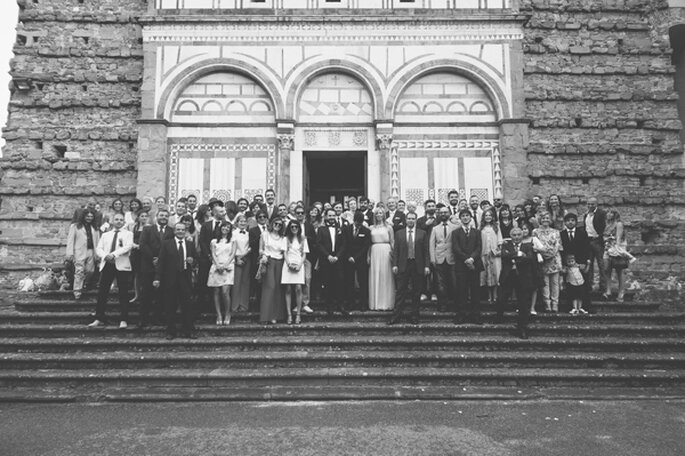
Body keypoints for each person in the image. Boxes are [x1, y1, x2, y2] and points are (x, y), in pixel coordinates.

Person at [153, 222, 199, 340]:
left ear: (185, 231)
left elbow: (195, 261)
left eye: (182, 230)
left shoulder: (190, 244)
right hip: (170, 279)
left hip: (185, 278)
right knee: (170, 306)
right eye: (178, 229)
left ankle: (188, 330)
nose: (180, 232)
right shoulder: (166, 244)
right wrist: (157, 278)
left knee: (187, 306)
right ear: (174, 231)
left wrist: (192, 261)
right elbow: (161, 262)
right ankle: (170, 331)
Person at [88, 213, 133, 329]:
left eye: (121, 220)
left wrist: (113, 254)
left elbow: (127, 247)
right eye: (116, 219)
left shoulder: (128, 234)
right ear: (113, 221)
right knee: (102, 292)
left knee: (123, 292)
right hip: (107, 264)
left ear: (124, 222)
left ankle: (123, 319)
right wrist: (105, 256)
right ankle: (99, 318)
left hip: (121, 265)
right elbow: (99, 248)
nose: (118, 221)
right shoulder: (106, 235)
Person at [388, 211, 430, 325]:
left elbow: (426, 251)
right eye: (409, 218)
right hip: (403, 264)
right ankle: (396, 316)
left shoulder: (422, 233)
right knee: (401, 291)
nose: (411, 220)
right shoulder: (399, 233)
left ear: (416, 220)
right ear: (406, 220)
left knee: (416, 293)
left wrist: (427, 266)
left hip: (418, 265)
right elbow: (396, 250)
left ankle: (414, 316)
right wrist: (395, 264)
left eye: (413, 218)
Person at [497, 227, 536, 339]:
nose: (516, 237)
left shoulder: (527, 246)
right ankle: (498, 317)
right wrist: (519, 254)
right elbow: (504, 256)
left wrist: (515, 256)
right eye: (514, 235)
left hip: (522, 277)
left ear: (522, 235)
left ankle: (522, 328)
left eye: (518, 234)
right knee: (502, 298)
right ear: (511, 236)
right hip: (508, 276)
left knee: (523, 303)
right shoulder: (506, 245)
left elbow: (529, 258)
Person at [138, 208, 175, 328]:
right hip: (148, 266)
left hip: (164, 267)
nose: (163, 217)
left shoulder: (171, 231)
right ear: (156, 217)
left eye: (166, 216)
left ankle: (158, 318)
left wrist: (161, 259)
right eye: (161, 215)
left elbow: (171, 247)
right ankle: (143, 319)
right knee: (146, 294)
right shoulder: (148, 229)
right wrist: (153, 258)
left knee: (161, 294)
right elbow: (143, 245)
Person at [452, 209, 484, 324]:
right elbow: (456, 248)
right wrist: (466, 259)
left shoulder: (477, 232)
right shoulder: (455, 233)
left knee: (475, 291)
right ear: (460, 219)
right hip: (461, 265)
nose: (465, 218)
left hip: (474, 264)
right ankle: (461, 314)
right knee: (462, 291)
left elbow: (479, 248)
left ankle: (475, 315)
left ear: (470, 218)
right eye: (463, 216)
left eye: (467, 216)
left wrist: (472, 258)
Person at [316, 208, 349, 316]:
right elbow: (319, 244)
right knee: (327, 282)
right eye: (329, 215)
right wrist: (328, 256)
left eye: (333, 215)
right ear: (326, 217)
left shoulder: (340, 229)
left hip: (338, 260)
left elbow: (344, 244)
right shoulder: (321, 229)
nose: (331, 218)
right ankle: (329, 306)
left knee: (340, 282)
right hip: (326, 260)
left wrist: (337, 257)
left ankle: (340, 305)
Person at [560, 213, 593, 313]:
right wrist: (563, 264)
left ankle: (585, 307)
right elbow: (561, 251)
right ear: (565, 222)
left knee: (583, 286)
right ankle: (571, 307)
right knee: (570, 286)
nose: (570, 222)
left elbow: (587, 247)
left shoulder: (582, 233)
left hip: (581, 263)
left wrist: (587, 262)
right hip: (568, 264)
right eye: (568, 220)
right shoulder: (562, 234)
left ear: (576, 222)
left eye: (572, 220)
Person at [66, 208, 101, 300]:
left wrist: (98, 254)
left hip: (91, 251)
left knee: (90, 271)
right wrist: (70, 253)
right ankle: (77, 292)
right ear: (83, 216)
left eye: (91, 216)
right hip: (79, 251)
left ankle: (84, 284)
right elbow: (70, 240)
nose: (89, 218)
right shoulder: (75, 226)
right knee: (79, 271)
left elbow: (98, 241)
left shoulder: (95, 228)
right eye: (87, 216)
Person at [198, 200, 225, 311]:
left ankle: (218, 307)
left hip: (221, 259)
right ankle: (202, 306)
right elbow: (202, 241)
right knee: (203, 281)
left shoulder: (226, 225)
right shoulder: (206, 225)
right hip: (206, 258)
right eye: (221, 211)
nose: (223, 213)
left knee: (219, 284)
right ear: (214, 213)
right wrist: (209, 255)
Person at [533, 211, 563, 313]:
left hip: (554, 259)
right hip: (542, 260)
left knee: (555, 283)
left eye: (547, 218)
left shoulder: (556, 232)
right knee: (545, 283)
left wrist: (551, 254)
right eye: (543, 218)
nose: (545, 220)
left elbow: (557, 245)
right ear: (540, 220)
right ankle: (547, 304)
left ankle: (555, 304)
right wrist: (544, 254)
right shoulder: (535, 232)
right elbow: (535, 246)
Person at [429, 206, 457, 312]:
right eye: (442, 213)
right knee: (440, 283)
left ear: (449, 214)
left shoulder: (455, 227)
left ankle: (454, 304)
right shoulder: (435, 229)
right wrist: (432, 259)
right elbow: (431, 244)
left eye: (446, 212)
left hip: (452, 257)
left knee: (454, 282)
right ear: (439, 215)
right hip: (439, 257)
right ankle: (442, 304)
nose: (444, 214)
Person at [603, 207, 634, 302]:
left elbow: (618, 238)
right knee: (606, 269)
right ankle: (608, 290)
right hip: (607, 248)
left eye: (611, 213)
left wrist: (616, 249)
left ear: (614, 214)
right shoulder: (607, 224)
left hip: (616, 248)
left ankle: (621, 292)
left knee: (619, 270)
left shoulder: (618, 224)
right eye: (607, 212)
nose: (608, 214)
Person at [259, 218, 287, 323]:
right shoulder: (265, 234)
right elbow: (260, 249)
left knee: (278, 288)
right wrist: (264, 255)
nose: (277, 226)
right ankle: (266, 316)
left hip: (280, 262)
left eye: (280, 225)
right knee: (270, 286)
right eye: (276, 223)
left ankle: (276, 315)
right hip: (269, 260)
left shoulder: (283, 237)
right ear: (272, 224)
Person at [208, 221, 236, 325]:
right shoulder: (214, 241)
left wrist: (225, 265)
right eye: (224, 227)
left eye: (228, 227)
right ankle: (219, 314)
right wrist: (217, 265)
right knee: (216, 291)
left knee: (225, 292)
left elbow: (233, 254)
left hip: (228, 266)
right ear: (220, 228)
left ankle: (228, 313)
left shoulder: (233, 240)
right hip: (216, 266)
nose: (225, 229)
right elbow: (213, 254)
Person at [368, 207, 395, 311]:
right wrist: (368, 255)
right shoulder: (371, 228)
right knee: (375, 275)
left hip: (386, 251)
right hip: (374, 251)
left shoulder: (389, 228)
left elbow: (392, 241)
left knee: (385, 276)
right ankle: (375, 303)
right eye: (377, 213)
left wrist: (394, 255)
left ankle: (386, 303)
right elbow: (369, 243)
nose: (379, 215)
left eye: (381, 213)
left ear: (384, 215)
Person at [344, 211, 371, 311]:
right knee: (349, 281)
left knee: (362, 282)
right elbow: (344, 244)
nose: (358, 225)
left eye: (360, 223)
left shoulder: (366, 231)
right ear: (354, 220)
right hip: (348, 259)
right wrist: (349, 256)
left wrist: (356, 257)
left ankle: (363, 303)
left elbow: (365, 247)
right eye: (357, 223)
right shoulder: (346, 229)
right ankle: (350, 303)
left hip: (360, 260)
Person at [283, 220, 307, 324]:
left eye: (296, 227)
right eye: (292, 227)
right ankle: (289, 315)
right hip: (288, 264)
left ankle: (298, 315)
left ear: (299, 228)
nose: (294, 229)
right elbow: (284, 252)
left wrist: (300, 265)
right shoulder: (286, 239)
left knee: (298, 288)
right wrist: (288, 264)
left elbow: (305, 254)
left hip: (299, 264)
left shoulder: (303, 239)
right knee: (288, 289)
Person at [584, 196, 607, 295]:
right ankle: (589, 285)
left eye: (592, 204)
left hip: (598, 241)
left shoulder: (601, 213)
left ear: (596, 204)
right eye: (588, 204)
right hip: (588, 241)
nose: (590, 206)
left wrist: (601, 237)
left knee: (601, 264)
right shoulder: (586, 215)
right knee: (589, 264)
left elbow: (605, 227)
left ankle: (603, 287)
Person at [480, 209, 502, 306]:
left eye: (490, 215)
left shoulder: (496, 227)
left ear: (492, 217)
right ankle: (489, 296)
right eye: (486, 215)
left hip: (494, 254)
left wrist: (498, 251)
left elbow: (500, 240)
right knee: (487, 274)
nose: (488, 217)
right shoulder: (481, 228)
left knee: (496, 274)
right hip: (484, 254)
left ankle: (496, 295)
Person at [231, 214, 252, 313]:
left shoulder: (248, 234)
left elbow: (250, 247)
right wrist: (236, 258)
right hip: (236, 259)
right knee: (236, 282)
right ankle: (235, 306)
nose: (243, 223)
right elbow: (231, 247)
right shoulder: (233, 233)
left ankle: (244, 305)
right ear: (237, 223)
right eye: (241, 221)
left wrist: (245, 255)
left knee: (245, 282)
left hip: (246, 258)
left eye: (244, 221)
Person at [249, 210, 269, 311]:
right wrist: (261, 237)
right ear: (257, 219)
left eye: (264, 216)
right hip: (257, 258)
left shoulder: (271, 229)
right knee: (258, 282)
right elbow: (251, 244)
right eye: (260, 217)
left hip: (270, 258)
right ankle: (258, 305)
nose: (262, 218)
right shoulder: (253, 230)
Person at [129, 209, 149, 304]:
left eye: (145, 216)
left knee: (145, 274)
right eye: (142, 216)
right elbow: (129, 238)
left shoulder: (150, 227)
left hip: (145, 253)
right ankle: (137, 295)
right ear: (138, 217)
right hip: (136, 253)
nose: (144, 218)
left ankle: (145, 295)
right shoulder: (134, 227)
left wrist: (143, 246)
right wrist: (134, 245)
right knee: (137, 274)